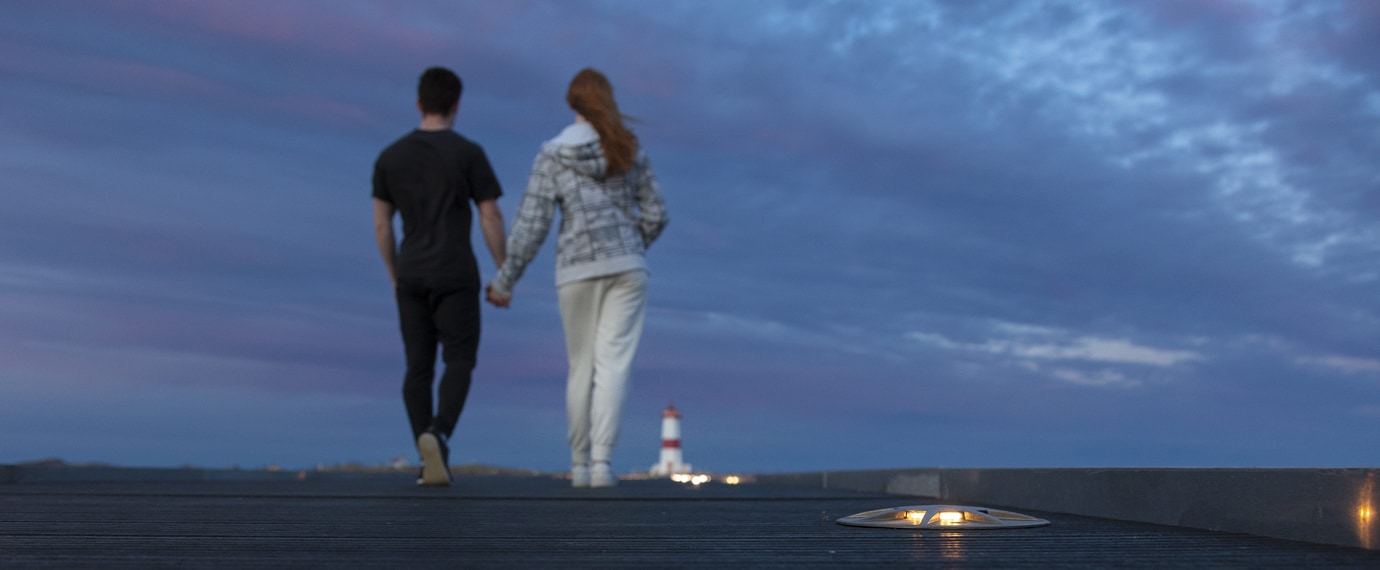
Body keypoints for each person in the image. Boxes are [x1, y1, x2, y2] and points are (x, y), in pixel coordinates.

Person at [487, 68, 668, 489]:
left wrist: (504, 281)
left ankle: (579, 465)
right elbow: (657, 214)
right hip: (627, 268)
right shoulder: (629, 148)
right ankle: (603, 465)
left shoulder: (551, 153)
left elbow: (532, 225)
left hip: (576, 269)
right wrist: (630, 245)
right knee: (613, 366)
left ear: (572, 105)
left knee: (580, 366)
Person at [372, 67, 507, 487]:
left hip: (411, 271)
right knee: (460, 360)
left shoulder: (389, 157)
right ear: (456, 104)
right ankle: (439, 433)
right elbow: (489, 214)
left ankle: (427, 455)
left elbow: (381, 225)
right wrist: (505, 269)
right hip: (455, 272)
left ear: (418, 103)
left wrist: (394, 273)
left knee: (417, 369)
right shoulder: (469, 153)